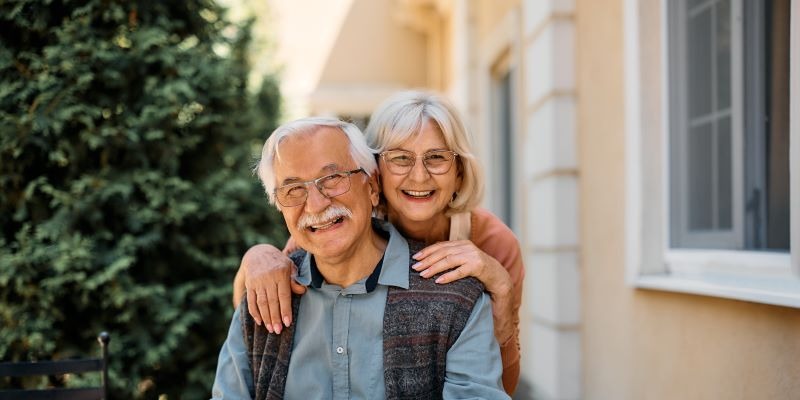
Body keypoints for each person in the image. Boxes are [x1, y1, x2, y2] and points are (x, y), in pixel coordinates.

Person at [233, 90, 525, 394]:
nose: (419, 176)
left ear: (459, 172)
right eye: (400, 158)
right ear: (375, 173)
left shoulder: (493, 244)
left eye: (436, 158)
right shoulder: (332, 226)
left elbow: (498, 386)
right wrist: (257, 255)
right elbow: (253, 316)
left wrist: (502, 290)